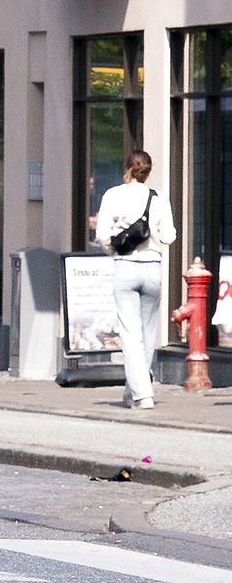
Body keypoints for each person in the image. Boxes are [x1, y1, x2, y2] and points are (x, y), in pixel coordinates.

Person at [95, 150, 176, 410]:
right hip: (153, 267)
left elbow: (102, 236)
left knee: (130, 334)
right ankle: (133, 390)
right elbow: (169, 236)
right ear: (148, 171)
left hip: (126, 266)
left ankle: (143, 394)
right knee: (147, 332)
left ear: (127, 167)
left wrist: (115, 250)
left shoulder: (113, 195)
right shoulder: (159, 198)